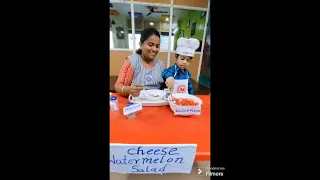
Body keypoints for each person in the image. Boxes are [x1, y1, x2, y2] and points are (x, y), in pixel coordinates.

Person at [114, 28, 165, 97]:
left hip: (157, 101)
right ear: (141, 45)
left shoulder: (160, 64)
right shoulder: (132, 62)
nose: (154, 49)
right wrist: (128, 90)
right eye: (150, 45)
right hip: (138, 103)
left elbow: (165, 84)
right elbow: (118, 85)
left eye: (157, 46)